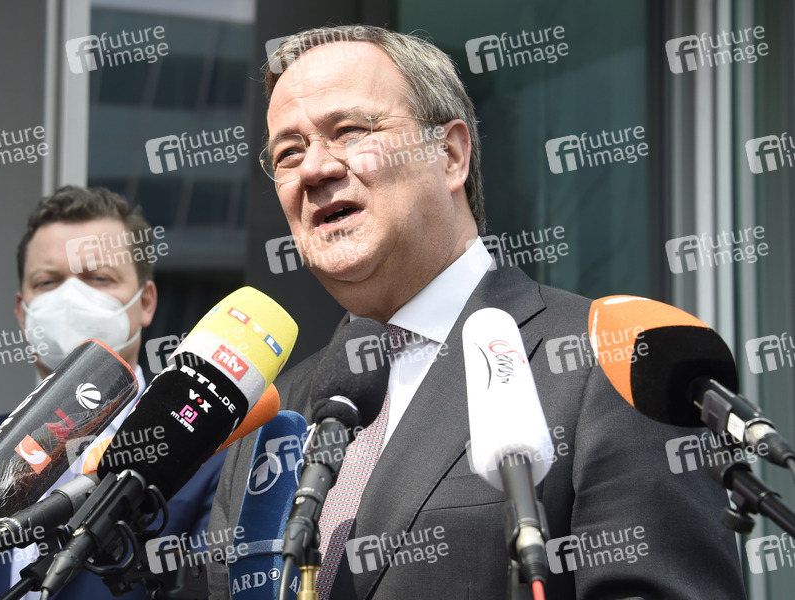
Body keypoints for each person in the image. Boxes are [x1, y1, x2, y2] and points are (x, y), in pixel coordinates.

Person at [206, 25, 747, 599]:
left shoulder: (611, 363)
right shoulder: (271, 418)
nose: (315, 169)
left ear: (450, 154)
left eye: (350, 131)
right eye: (288, 153)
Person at [0, 186, 223, 599]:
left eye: (98, 278)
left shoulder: (207, 461)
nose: (71, 299)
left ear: (146, 303)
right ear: (22, 312)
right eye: (48, 281)